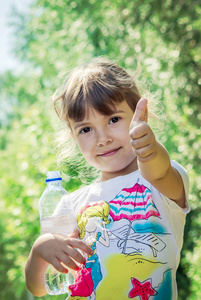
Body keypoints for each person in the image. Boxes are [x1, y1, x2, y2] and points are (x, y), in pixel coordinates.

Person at [25, 57, 190, 300]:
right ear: (73, 137)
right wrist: (39, 250)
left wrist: (150, 147)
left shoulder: (158, 181)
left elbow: (159, 169)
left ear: (139, 116)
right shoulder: (70, 204)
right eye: (86, 129)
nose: (102, 139)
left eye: (113, 120)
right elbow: (40, 287)